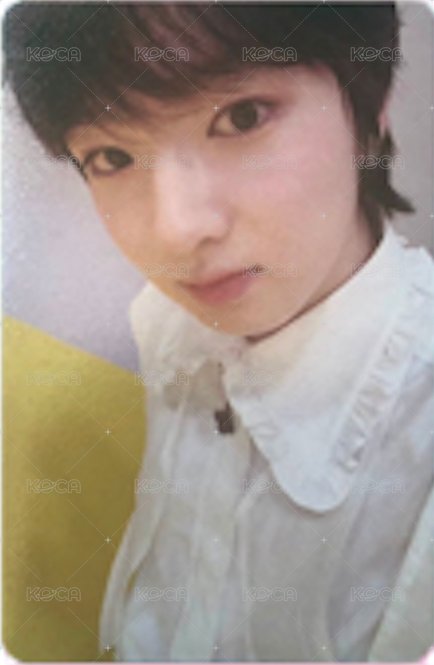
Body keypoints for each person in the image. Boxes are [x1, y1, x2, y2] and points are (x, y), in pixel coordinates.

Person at [4, 2, 433, 661]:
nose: (176, 231)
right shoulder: (168, 321)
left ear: (370, 106)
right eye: (112, 156)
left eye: (242, 117)